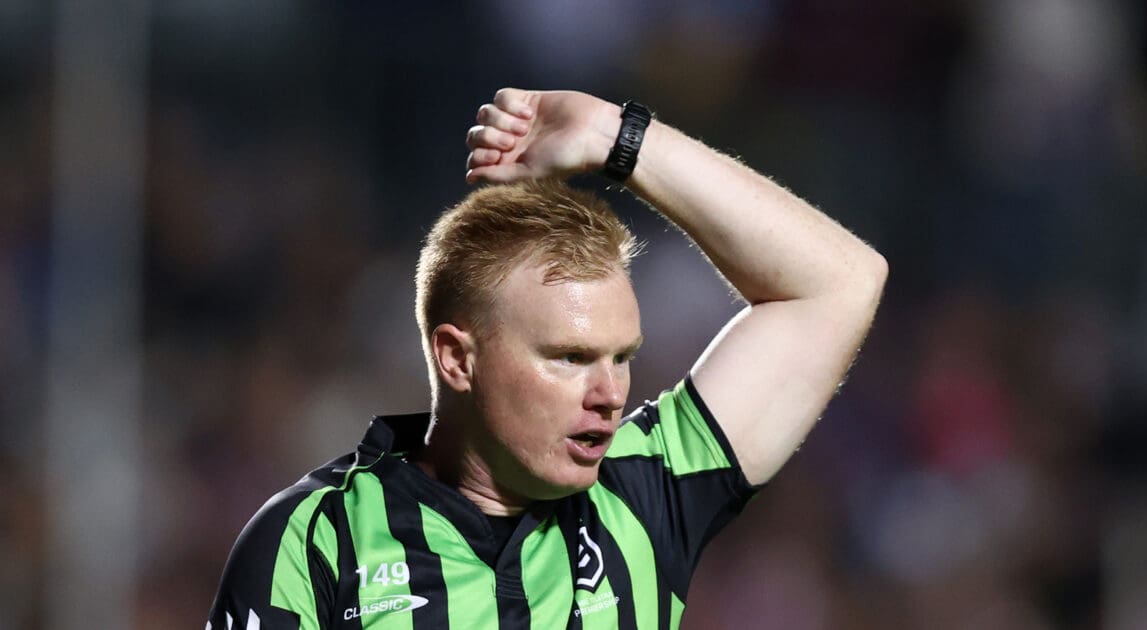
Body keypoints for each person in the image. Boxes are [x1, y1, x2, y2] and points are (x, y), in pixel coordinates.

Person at [207, 88, 887, 629]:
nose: (610, 393)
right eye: (569, 357)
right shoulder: (316, 540)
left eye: (622, 357)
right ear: (457, 359)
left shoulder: (642, 493)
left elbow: (841, 284)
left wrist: (615, 136)